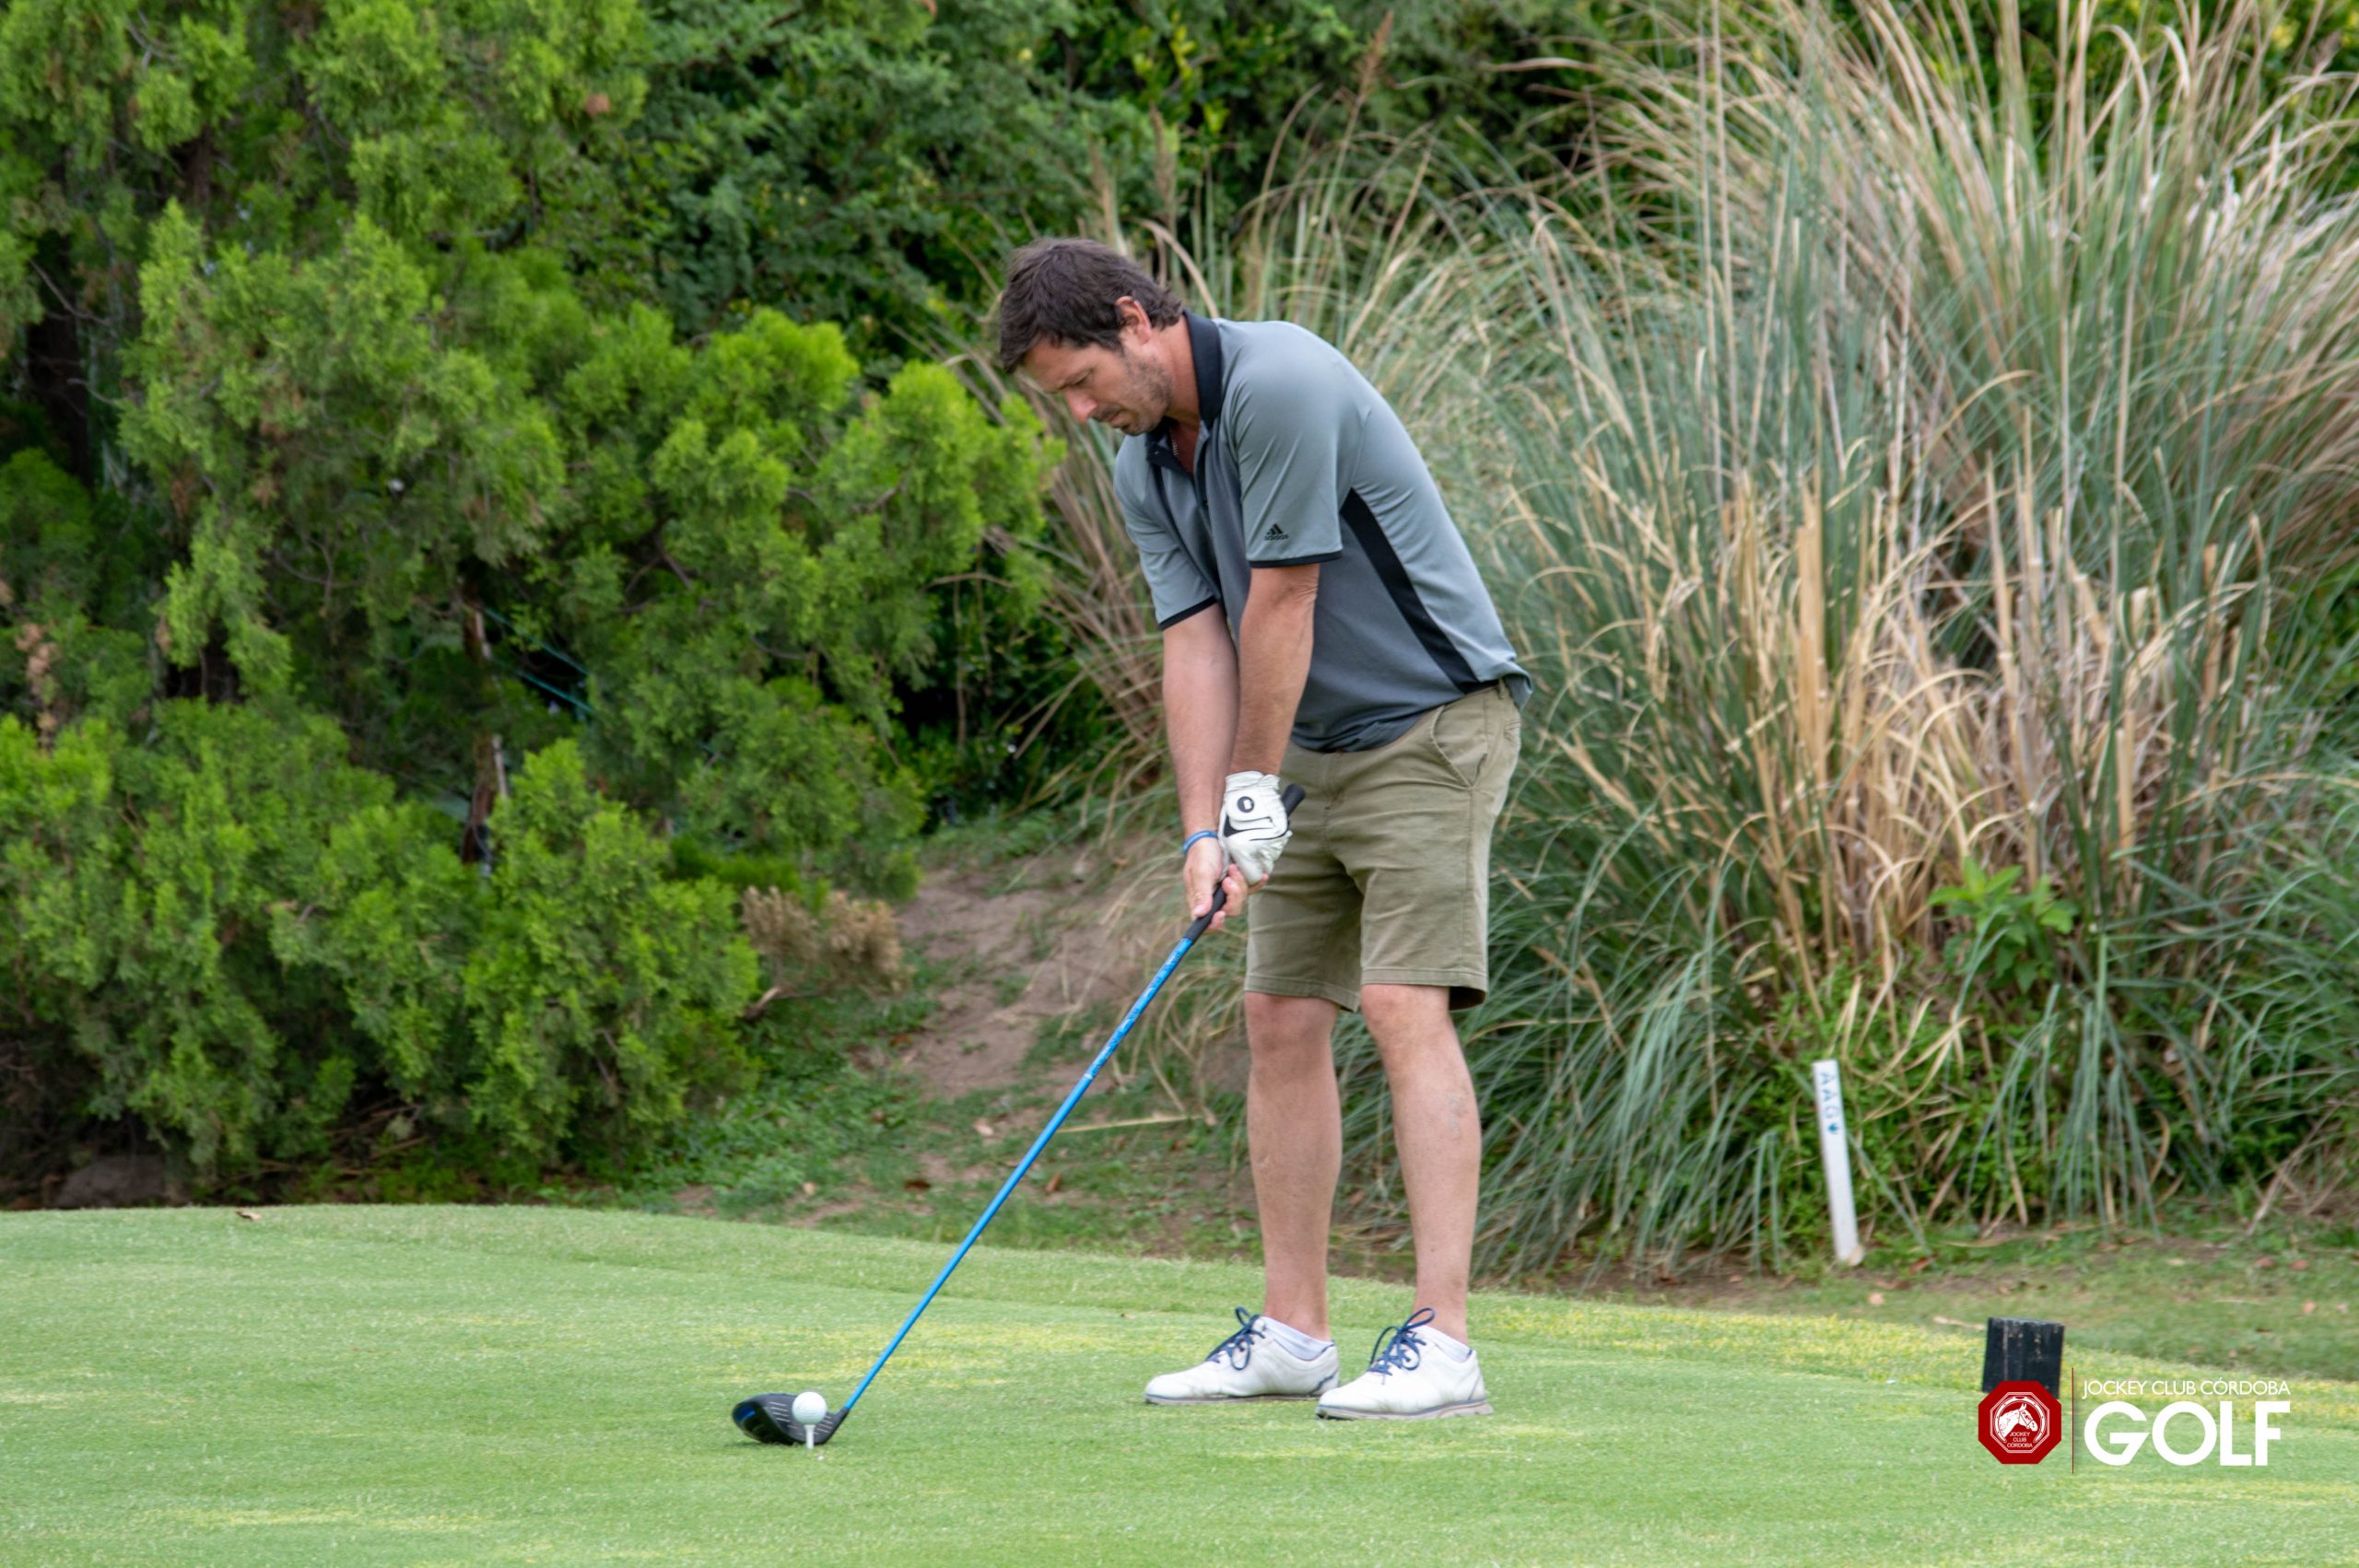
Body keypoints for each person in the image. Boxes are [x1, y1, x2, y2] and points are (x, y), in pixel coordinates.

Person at [996, 239, 1527, 1421]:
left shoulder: (1280, 382)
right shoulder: (1145, 465)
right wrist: (1204, 831)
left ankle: (1444, 1344)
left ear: (1134, 320)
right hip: (1308, 751)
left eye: (1081, 381)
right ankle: (1294, 1333)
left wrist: (1250, 791)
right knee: (1278, 1016)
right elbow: (1197, 642)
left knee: (1400, 1002)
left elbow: (1285, 597)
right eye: (1058, 397)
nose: (1080, 412)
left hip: (1433, 723)